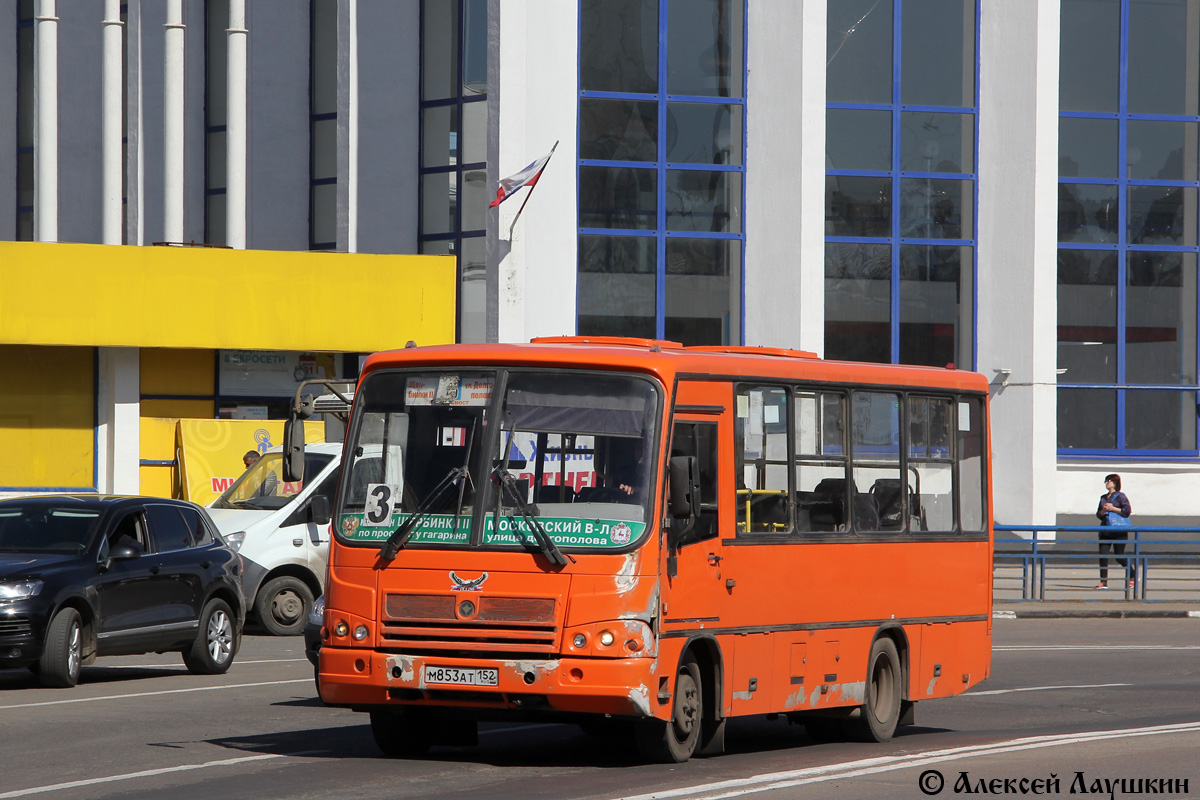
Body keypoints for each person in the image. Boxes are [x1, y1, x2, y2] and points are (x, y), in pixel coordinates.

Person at [1095, 473, 1132, 590]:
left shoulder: (1121, 496)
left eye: (1109, 481)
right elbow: (1099, 514)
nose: (1107, 483)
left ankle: (1132, 575)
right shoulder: (1103, 498)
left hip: (1119, 530)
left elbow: (1127, 511)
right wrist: (1103, 510)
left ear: (1115, 483)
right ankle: (1103, 582)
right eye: (1106, 481)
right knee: (1103, 554)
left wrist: (1113, 508)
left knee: (1119, 556)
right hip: (1105, 529)